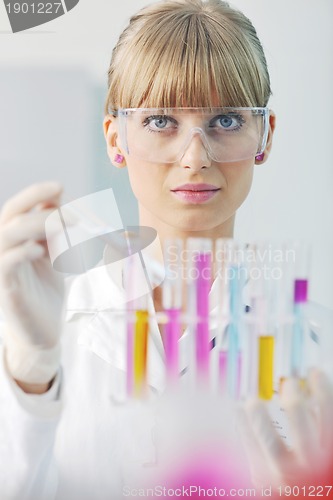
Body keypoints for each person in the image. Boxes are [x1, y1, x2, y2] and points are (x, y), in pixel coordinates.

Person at [0, 1, 332, 498]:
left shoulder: (316, 344)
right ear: (116, 139)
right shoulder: (39, 331)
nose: (194, 158)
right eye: (160, 121)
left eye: (225, 121)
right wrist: (31, 374)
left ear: (264, 136)